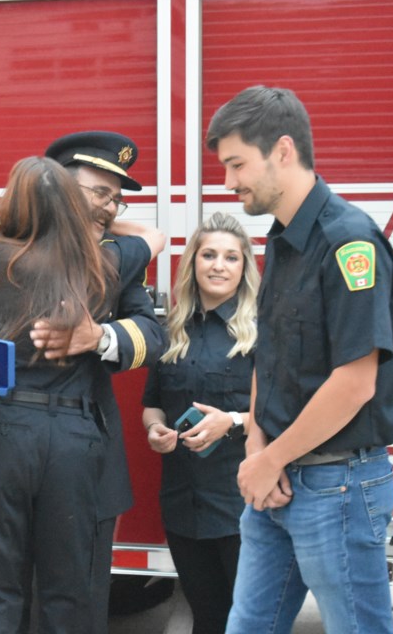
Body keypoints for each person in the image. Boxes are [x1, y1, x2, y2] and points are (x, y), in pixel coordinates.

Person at [0, 131, 167, 632]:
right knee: (0, 596)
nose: (110, 206)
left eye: (117, 197)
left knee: (72, 601)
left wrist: (97, 337)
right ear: (60, 186)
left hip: (76, 437)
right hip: (7, 430)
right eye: (100, 193)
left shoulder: (114, 254)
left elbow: (151, 333)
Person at [205, 85, 393, 633]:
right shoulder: (282, 241)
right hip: (275, 479)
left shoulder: (348, 242)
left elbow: (354, 383)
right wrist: (257, 446)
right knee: (248, 625)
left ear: (282, 150)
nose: (229, 183)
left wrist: (271, 460)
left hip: (337, 488)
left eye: (236, 164)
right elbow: (268, 354)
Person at [142, 212, 259, 634]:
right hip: (182, 502)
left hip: (242, 505)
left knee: (248, 620)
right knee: (206, 616)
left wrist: (231, 420)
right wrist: (154, 429)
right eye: (208, 254)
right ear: (192, 262)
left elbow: (288, 413)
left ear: (244, 267)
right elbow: (153, 403)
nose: (218, 265)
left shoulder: (260, 333)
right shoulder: (172, 330)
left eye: (231, 257)